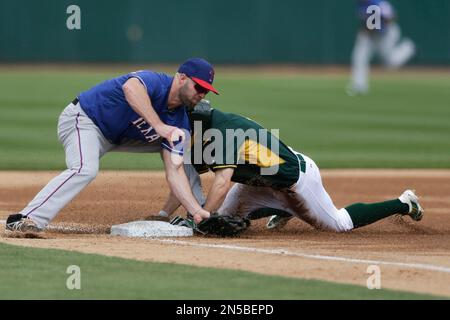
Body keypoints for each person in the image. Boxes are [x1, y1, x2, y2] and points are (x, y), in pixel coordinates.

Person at [6, 58, 219, 233]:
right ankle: (26, 218)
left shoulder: (179, 122)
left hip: (118, 136)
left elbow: (174, 170)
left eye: (206, 91)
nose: (201, 94)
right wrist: (159, 126)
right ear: (182, 78)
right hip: (85, 119)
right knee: (85, 169)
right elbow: (130, 87)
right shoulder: (155, 81)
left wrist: (196, 211)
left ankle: (198, 210)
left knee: (179, 151)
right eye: (198, 87)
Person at [155, 103, 424, 233]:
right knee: (224, 222)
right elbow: (187, 174)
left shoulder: (225, 133)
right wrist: (164, 213)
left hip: (298, 179)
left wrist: (198, 217)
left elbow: (222, 183)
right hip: (257, 184)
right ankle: (283, 209)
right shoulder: (207, 133)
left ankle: (403, 202)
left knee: (337, 225)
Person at [348, 0, 415, 95]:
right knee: (359, 57)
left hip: (386, 35)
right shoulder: (360, 3)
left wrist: (379, 25)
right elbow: (366, 23)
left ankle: (409, 48)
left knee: (390, 63)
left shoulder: (377, 3)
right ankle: (359, 85)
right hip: (369, 35)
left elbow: (392, 16)